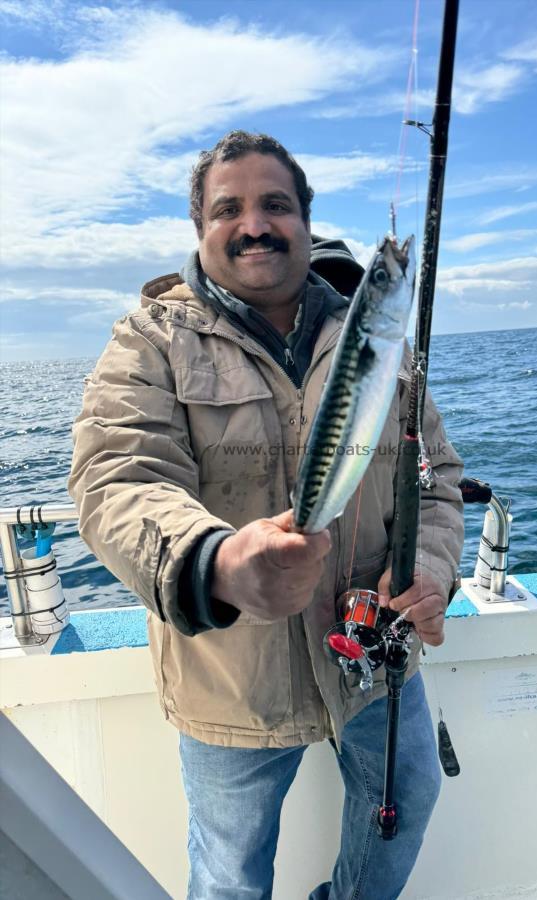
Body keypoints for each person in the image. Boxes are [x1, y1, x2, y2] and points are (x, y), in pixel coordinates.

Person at [69, 130, 464, 899]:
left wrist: (431, 568)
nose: (255, 223)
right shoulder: (148, 342)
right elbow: (115, 478)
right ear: (200, 227)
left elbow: (437, 477)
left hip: (372, 660)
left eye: (275, 204)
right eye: (230, 208)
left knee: (407, 799)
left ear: (305, 221)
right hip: (230, 680)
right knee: (228, 875)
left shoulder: (379, 343)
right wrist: (215, 563)